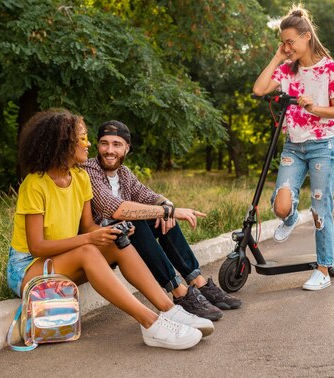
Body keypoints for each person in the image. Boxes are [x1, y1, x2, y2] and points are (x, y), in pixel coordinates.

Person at [6, 109, 214, 350]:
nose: (88, 145)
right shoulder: (35, 184)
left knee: (116, 240)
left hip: (61, 260)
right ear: (63, 144)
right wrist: (91, 239)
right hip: (29, 269)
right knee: (88, 250)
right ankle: (151, 324)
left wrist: (108, 234)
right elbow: (37, 246)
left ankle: (170, 310)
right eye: (82, 138)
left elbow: (88, 227)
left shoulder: (80, 178)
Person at [80, 121, 242, 321]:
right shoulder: (89, 169)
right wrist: (167, 212)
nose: (109, 150)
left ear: (127, 148)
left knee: (159, 217)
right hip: (100, 243)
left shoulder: (124, 173)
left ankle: (198, 282)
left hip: (122, 238)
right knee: (137, 221)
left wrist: (167, 206)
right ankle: (180, 293)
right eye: (104, 143)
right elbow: (112, 208)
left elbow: (149, 196)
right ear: (98, 145)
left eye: (116, 144)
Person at [252, 5, 334, 291]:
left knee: (320, 210)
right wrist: (278, 56)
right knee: (281, 206)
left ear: (306, 37)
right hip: (293, 147)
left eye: (290, 42)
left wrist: (314, 107)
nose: (286, 46)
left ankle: (323, 270)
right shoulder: (287, 70)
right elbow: (259, 89)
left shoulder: (329, 68)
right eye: (282, 42)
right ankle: (292, 217)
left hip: (322, 147)